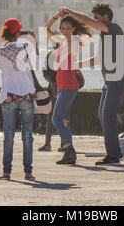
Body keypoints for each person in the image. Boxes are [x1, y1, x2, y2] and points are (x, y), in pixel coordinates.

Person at [59, 4, 124, 166]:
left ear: (105, 17)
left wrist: (70, 11)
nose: (94, 21)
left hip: (118, 79)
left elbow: (87, 21)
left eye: (96, 17)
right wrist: (77, 64)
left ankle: (113, 155)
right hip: (110, 81)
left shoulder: (112, 27)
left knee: (108, 115)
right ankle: (114, 153)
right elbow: (97, 59)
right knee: (103, 115)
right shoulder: (106, 36)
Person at [45, 12, 93, 165]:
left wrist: (56, 62)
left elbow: (56, 64)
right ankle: (69, 152)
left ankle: (69, 149)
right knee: (63, 119)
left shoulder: (72, 42)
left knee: (56, 118)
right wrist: (55, 16)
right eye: (63, 28)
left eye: (68, 28)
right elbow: (45, 29)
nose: (65, 30)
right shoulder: (63, 41)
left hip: (69, 84)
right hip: (62, 84)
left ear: (73, 29)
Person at [0, 18, 38, 181]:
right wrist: (33, 41)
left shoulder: (0, 51)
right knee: (27, 136)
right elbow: (38, 62)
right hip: (27, 97)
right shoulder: (27, 47)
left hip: (8, 97)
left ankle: (6, 172)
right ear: (19, 33)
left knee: (8, 136)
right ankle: (28, 172)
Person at [37, 48, 64, 152]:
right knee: (58, 117)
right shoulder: (56, 55)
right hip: (58, 88)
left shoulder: (53, 55)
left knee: (53, 117)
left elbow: (45, 73)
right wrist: (53, 84)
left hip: (57, 88)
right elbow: (45, 73)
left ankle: (52, 144)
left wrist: (53, 84)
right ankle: (61, 144)